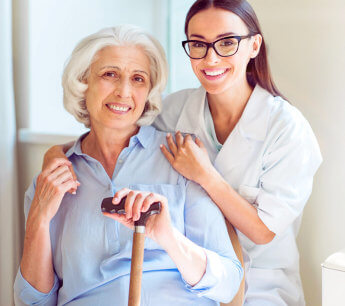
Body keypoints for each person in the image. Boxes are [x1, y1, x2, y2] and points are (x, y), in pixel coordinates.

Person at [43, 0, 322, 305]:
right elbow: (114, 131)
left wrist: (206, 176)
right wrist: (56, 155)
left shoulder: (286, 128)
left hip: (261, 283)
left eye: (227, 43)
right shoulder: (175, 110)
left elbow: (264, 232)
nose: (211, 58)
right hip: (188, 281)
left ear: (254, 45)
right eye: (199, 44)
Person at [14, 25, 243, 306]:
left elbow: (229, 283)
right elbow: (33, 302)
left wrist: (168, 237)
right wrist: (38, 219)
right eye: (110, 74)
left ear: (148, 92)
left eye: (138, 79)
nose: (124, 91)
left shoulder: (181, 159)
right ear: (83, 82)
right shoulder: (51, 181)